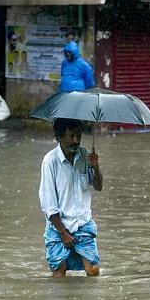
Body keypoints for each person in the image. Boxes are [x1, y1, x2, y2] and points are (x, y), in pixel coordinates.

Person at [39, 118, 104, 277]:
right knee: (59, 274)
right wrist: (63, 232)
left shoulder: (85, 155)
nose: (76, 140)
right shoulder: (50, 161)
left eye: (79, 136)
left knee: (93, 271)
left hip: (83, 223)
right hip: (58, 227)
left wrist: (96, 167)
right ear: (60, 137)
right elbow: (49, 204)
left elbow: (98, 186)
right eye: (71, 136)